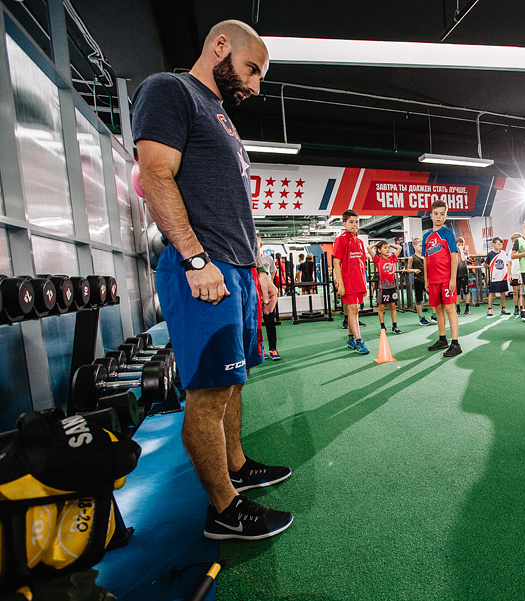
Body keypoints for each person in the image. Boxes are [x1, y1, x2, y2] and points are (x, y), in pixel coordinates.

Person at [132, 19, 292, 541]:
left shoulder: (221, 116)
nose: (255, 86)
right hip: (204, 268)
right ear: (220, 46)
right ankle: (223, 509)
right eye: (252, 70)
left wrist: (261, 269)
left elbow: (237, 207)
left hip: (239, 269)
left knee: (233, 379)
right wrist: (196, 260)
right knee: (209, 390)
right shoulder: (170, 90)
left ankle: (239, 466)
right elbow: (155, 174)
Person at [423, 200, 462, 357]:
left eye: (442, 214)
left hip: (446, 279)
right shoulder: (426, 236)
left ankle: (455, 343)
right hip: (432, 280)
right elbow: (426, 259)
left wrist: (453, 279)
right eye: (436, 214)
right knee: (437, 309)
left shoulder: (448, 234)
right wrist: (426, 280)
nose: (438, 217)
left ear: (446, 217)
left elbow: (454, 257)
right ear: (431, 215)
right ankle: (442, 339)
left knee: (450, 309)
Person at [333, 210, 370, 355]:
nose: (355, 225)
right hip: (347, 282)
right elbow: (336, 263)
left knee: (354, 311)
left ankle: (350, 338)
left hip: (359, 282)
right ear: (344, 224)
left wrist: (365, 283)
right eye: (351, 222)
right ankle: (359, 341)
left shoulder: (360, 242)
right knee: (353, 310)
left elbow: (362, 264)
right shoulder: (340, 240)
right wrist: (340, 284)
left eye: (356, 222)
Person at [369, 240, 403, 334]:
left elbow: (399, 248)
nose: (388, 249)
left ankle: (395, 326)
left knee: (393, 307)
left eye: (388, 248)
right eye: (385, 248)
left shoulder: (392, 258)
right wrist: (377, 243)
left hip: (392, 287)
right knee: (381, 308)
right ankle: (382, 327)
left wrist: (388, 244)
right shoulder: (378, 259)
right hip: (382, 288)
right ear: (379, 250)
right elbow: (368, 248)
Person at [256, 234, 280, 360]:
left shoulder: (268, 259)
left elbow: (271, 276)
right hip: (255, 297)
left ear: (260, 245)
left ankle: (273, 348)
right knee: (257, 324)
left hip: (268, 298)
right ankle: (261, 348)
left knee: (271, 323)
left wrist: (274, 291)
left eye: (256, 242)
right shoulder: (248, 259)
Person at [483, 236, 511, 316]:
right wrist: (489, 268)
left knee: (503, 293)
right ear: (493, 244)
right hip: (494, 277)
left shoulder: (503, 253)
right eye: (498, 244)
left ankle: (503, 308)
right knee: (492, 293)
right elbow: (485, 264)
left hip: (502, 277)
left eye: (501, 245)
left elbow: (506, 263)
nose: (500, 246)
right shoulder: (490, 254)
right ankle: (490, 308)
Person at [407, 237, 431, 326]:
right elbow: (408, 269)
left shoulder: (426, 256)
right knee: (419, 300)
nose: (422, 248)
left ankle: (434, 315)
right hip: (418, 281)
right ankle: (421, 318)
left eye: (423, 246)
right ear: (414, 246)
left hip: (428, 281)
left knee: (433, 298)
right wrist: (414, 270)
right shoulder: (412, 258)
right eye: (420, 246)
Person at [508, 232, 523, 316]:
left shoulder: (522, 251)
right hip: (513, 274)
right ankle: (516, 307)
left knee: (522, 292)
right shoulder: (511, 252)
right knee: (515, 291)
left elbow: (523, 263)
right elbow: (509, 263)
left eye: (515, 241)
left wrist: (521, 275)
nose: (514, 243)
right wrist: (510, 274)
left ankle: (522, 308)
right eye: (513, 242)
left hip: (521, 274)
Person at [455, 237, 471, 316]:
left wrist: (461, 250)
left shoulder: (466, 252)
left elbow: (463, 259)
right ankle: (458, 309)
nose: (460, 245)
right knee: (457, 293)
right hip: (456, 275)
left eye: (462, 244)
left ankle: (467, 309)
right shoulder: (453, 253)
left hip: (464, 274)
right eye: (459, 244)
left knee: (466, 292)